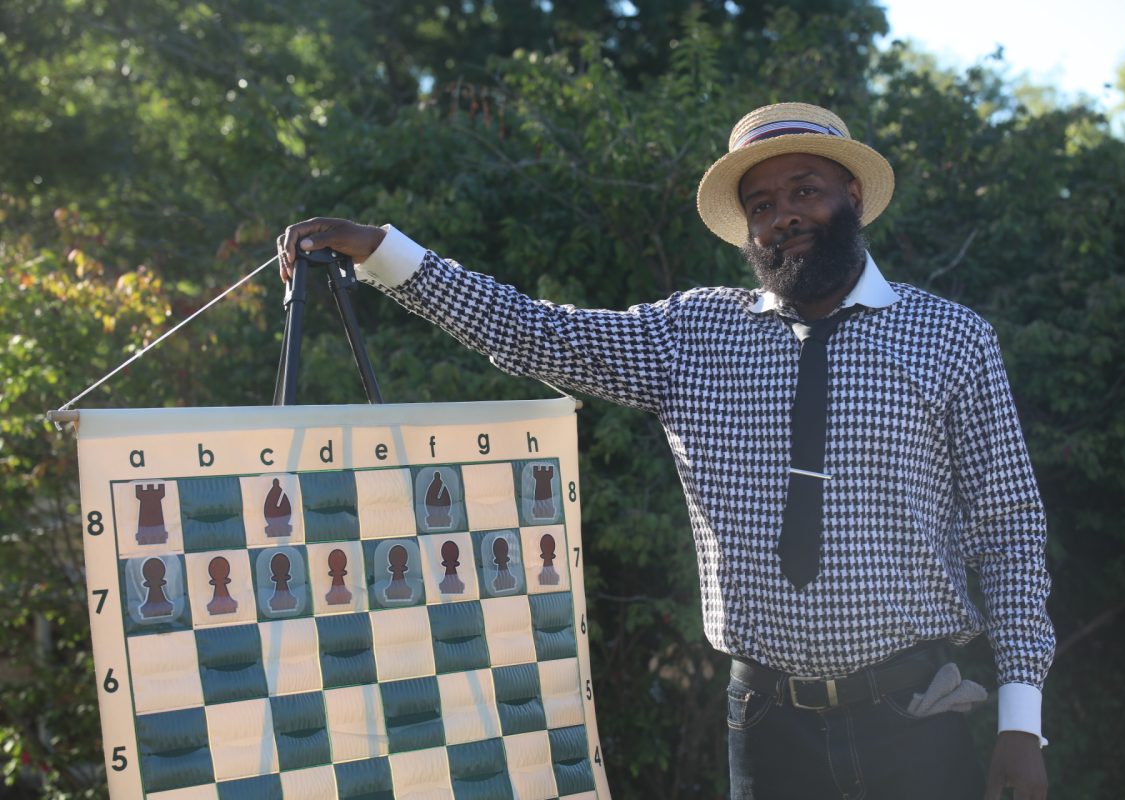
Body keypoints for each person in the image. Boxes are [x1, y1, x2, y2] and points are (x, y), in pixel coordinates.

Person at [277, 102, 1053, 800]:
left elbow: (1009, 531)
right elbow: (531, 331)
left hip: (918, 717)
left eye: (804, 190)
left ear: (853, 195)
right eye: (761, 205)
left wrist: (1023, 719)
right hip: (766, 723)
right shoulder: (692, 335)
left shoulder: (951, 338)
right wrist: (382, 251)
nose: (783, 216)